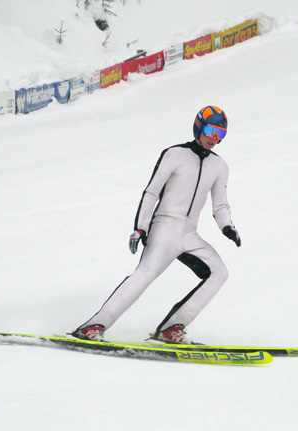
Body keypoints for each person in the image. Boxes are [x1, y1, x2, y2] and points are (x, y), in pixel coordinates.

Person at [72, 106, 241, 344]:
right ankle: (93, 325)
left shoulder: (219, 166)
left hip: (189, 232)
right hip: (164, 227)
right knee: (144, 275)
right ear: (199, 127)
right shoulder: (175, 154)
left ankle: (172, 329)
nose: (215, 137)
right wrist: (140, 227)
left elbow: (220, 204)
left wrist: (228, 226)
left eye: (221, 133)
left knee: (219, 273)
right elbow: (151, 192)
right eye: (211, 130)